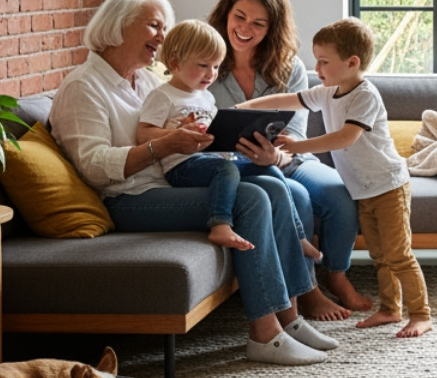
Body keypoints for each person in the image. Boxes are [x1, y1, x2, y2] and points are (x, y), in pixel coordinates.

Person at [48, 0, 338, 366]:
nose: (163, 36)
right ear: (117, 27)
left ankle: (290, 319)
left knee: (267, 181)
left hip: (166, 185)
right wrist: (166, 145)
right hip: (128, 199)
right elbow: (93, 165)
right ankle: (265, 335)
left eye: (164, 27)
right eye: (153, 25)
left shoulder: (148, 82)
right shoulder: (83, 87)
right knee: (251, 199)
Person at [241, 18, 432, 339]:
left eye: (324, 61)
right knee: (380, 256)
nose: (316, 68)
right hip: (364, 191)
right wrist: (242, 107)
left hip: (389, 187)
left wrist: (298, 145)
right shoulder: (327, 92)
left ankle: (421, 314)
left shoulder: (364, 96)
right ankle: (390, 309)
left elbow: (345, 138)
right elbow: (284, 100)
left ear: (352, 62)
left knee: (399, 254)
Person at [207, 0, 367, 322]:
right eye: (239, 17)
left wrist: (276, 156)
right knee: (298, 198)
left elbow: (294, 133)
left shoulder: (290, 67)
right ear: (226, 14)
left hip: (287, 160)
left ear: (272, 27)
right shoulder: (206, 61)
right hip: (234, 166)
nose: (245, 28)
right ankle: (308, 291)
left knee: (339, 196)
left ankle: (337, 276)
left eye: (258, 23)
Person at [136, 18, 319, 262]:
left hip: (212, 161)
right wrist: (176, 134)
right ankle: (219, 224)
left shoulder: (206, 97)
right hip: (181, 166)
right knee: (225, 168)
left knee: (268, 167)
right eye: (203, 66)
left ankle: (298, 235)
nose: (211, 74)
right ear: (174, 62)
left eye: (215, 66)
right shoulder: (162, 96)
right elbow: (143, 133)